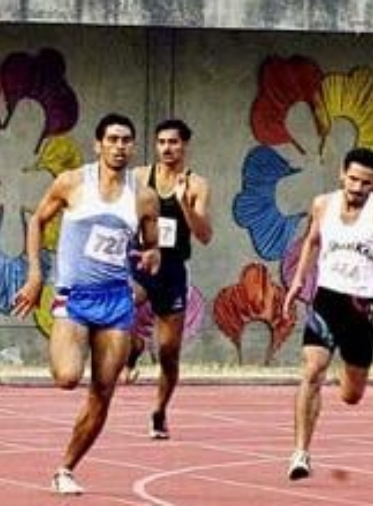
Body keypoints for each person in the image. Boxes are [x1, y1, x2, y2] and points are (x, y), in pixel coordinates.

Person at [12, 113, 160, 495]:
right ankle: (135, 347)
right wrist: (35, 275)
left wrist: (151, 256)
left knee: (103, 391)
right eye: (112, 139)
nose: (119, 146)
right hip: (75, 298)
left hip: (116, 301)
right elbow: (36, 222)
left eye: (126, 140)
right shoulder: (72, 182)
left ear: (132, 146)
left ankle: (65, 468)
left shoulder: (143, 196)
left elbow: (151, 243)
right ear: (98, 145)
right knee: (67, 377)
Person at [282, 147, 373, 480]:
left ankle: (347, 370)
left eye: (365, 183)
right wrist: (299, 281)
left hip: (364, 307)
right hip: (327, 299)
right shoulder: (322, 204)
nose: (357, 188)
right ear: (342, 173)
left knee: (352, 395)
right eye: (353, 179)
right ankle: (300, 453)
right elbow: (312, 242)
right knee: (312, 370)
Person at [120, 119, 212, 440]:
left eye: (173, 142)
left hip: (172, 269)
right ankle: (132, 346)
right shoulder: (138, 178)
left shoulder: (197, 184)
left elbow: (204, 235)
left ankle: (159, 411)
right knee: (123, 304)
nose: (167, 148)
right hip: (141, 260)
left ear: (184, 145)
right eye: (161, 142)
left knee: (169, 351)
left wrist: (186, 205)